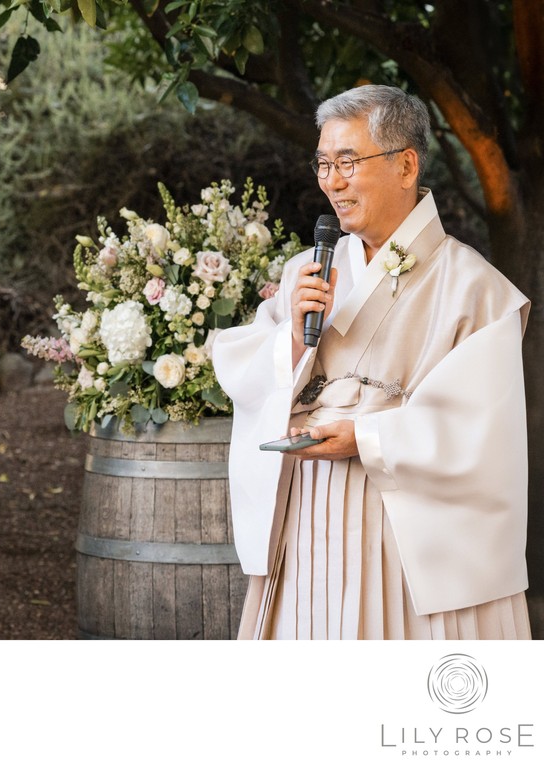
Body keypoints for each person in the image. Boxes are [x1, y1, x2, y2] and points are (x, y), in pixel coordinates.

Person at [213, 85, 531, 639]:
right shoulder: (307, 272)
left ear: (406, 165)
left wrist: (368, 436)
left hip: (401, 525)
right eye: (323, 164)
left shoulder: (474, 288)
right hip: (306, 511)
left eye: (347, 162)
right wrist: (293, 335)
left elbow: (482, 428)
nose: (331, 182)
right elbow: (246, 371)